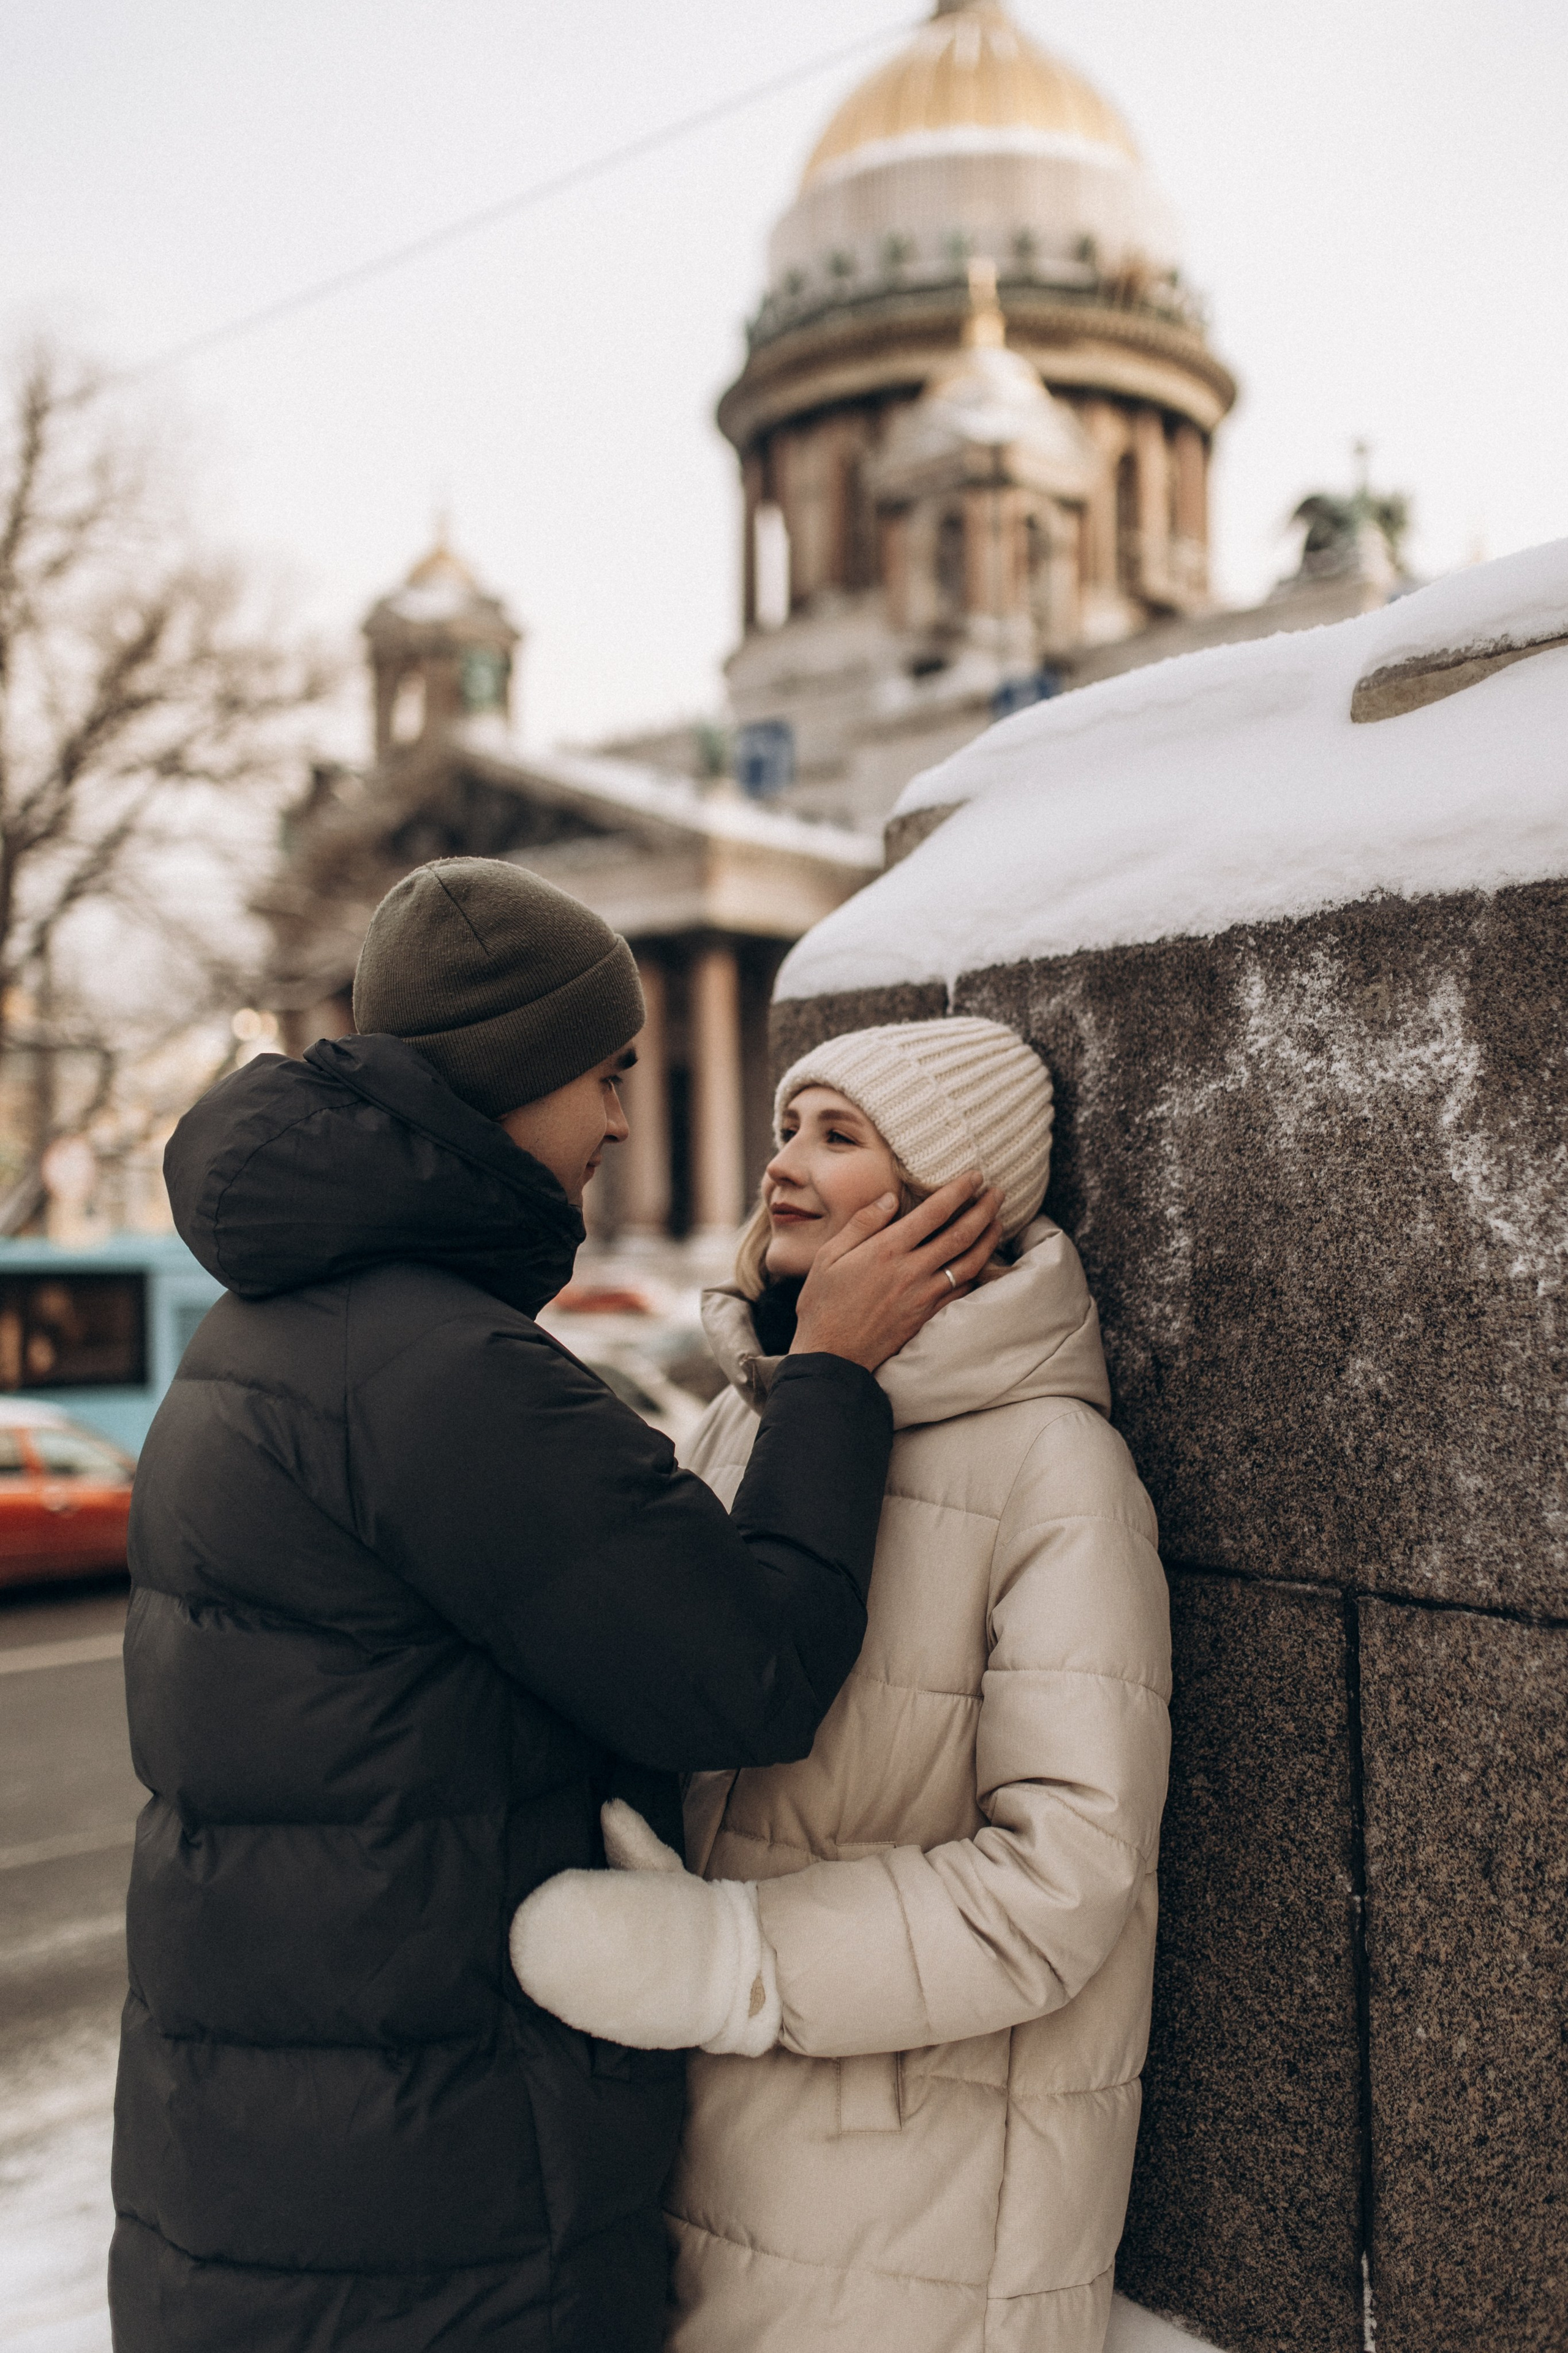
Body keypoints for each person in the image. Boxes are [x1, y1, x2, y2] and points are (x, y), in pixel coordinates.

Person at [108, 862, 1002, 2353]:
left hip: (275, 2190)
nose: (617, 1121)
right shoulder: (441, 1373)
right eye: (604, 1072)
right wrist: (834, 1376)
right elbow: (746, 1672)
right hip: (438, 2226)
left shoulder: (268, 1333)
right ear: (511, 1077)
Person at [512, 1015, 1172, 2353]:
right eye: (781, 1130)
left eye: (838, 1135)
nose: (781, 1165)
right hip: (711, 2148)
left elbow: (1065, 1878)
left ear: (955, 1198)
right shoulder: (749, 1416)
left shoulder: (1053, 1465)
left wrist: (735, 1962)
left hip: (919, 2208)